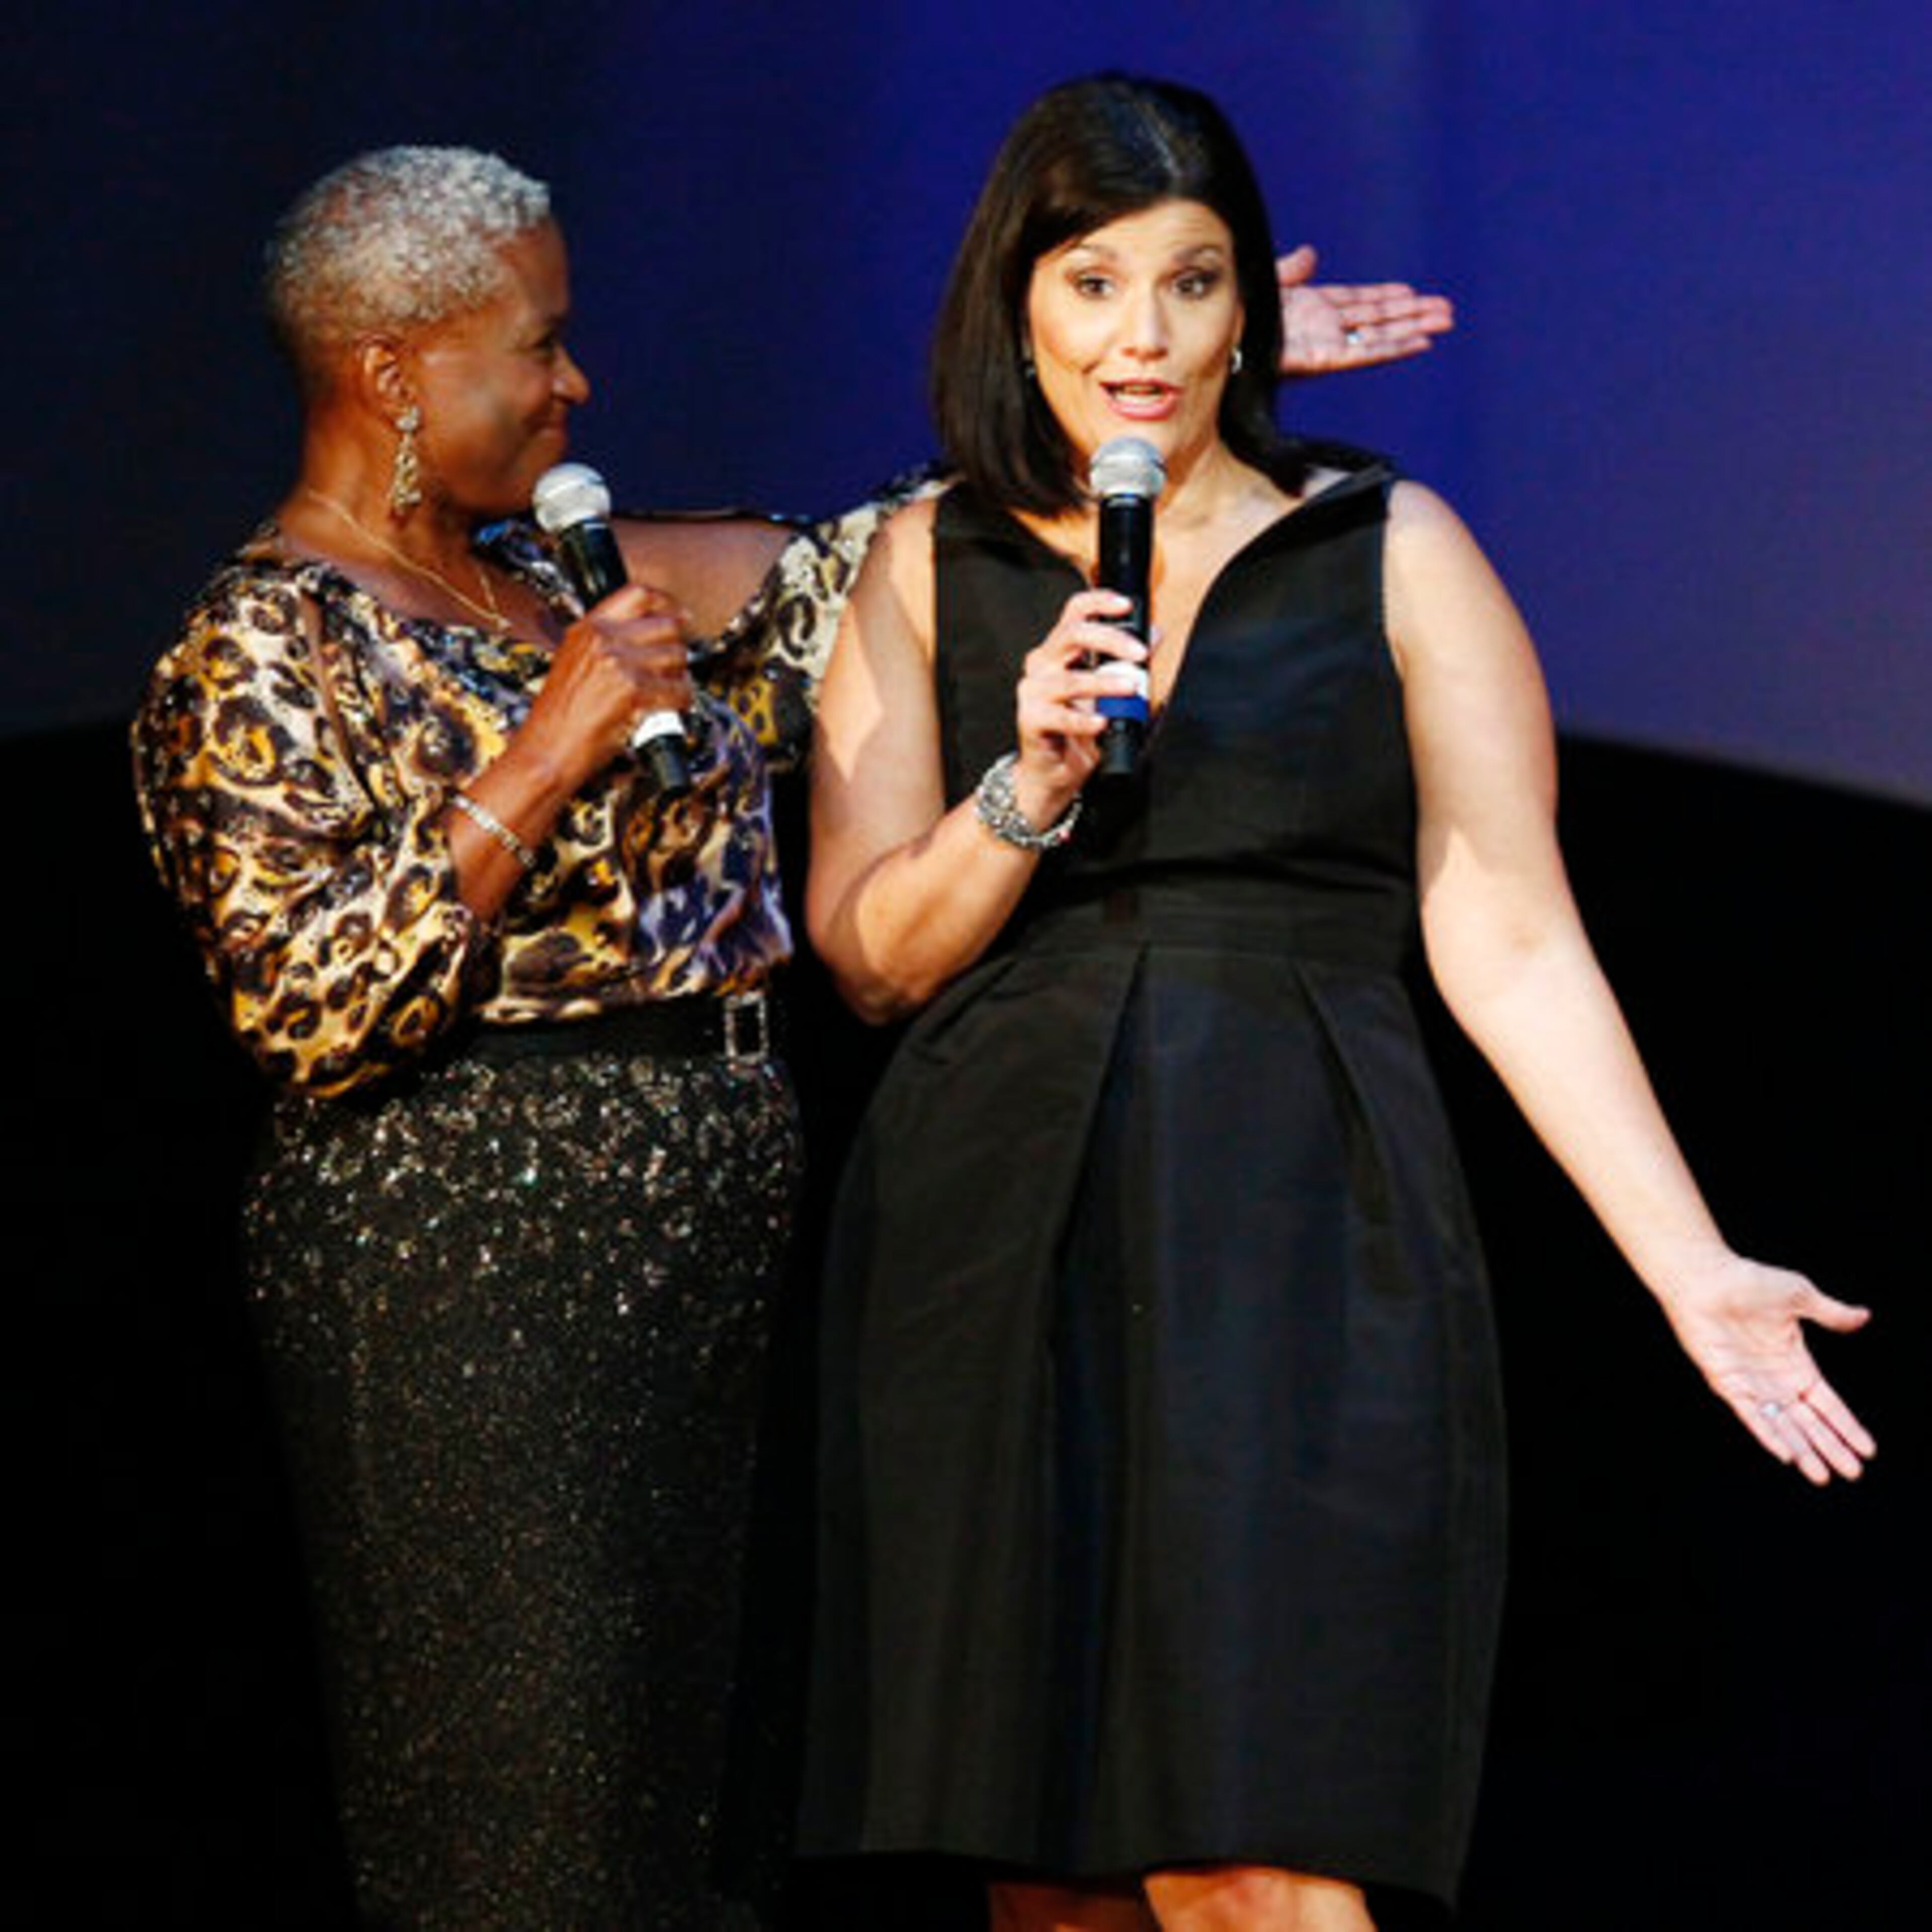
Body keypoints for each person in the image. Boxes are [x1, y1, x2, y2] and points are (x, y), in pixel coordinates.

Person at [131, 144, 1452, 1926]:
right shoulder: (260, 644)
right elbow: (303, 1002)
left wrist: (1133, 383)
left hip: (712, 1254)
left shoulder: (565, 579)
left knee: (698, 1819)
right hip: (471, 1263)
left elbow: (884, 569)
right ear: (392, 371)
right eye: (539, 343)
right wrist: (547, 750)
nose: (574, 381)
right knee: (533, 1816)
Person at [795, 76, 1875, 1931]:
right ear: (1016, 302)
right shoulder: (921, 562)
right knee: (1048, 1875)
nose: (1144, 338)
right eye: (1092, 281)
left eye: (1194, 283)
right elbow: (874, 958)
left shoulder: (1391, 547)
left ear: (1250, 313)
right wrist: (1028, 784)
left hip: (1294, 1211)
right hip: (994, 1210)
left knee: (1253, 1859)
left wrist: (1691, 1265)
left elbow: (1509, 929)